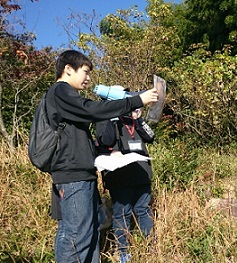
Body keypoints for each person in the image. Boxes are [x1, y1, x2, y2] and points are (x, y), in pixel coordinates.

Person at [45, 50, 159, 263]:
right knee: (76, 234)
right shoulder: (61, 91)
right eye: (85, 72)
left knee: (88, 231)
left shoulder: (66, 97)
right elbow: (92, 111)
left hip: (83, 173)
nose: (88, 78)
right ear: (68, 69)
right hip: (72, 176)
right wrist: (135, 100)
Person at [96, 106, 155, 263]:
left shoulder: (132, 120)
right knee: (122, 213)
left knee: (142, 210)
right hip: (120, 177)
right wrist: (110, 116)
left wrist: (138, 119)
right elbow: (105, 140)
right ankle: (124, 253)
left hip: (141, 174)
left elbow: (150, 136)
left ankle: (149, 248)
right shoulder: (104, 119)